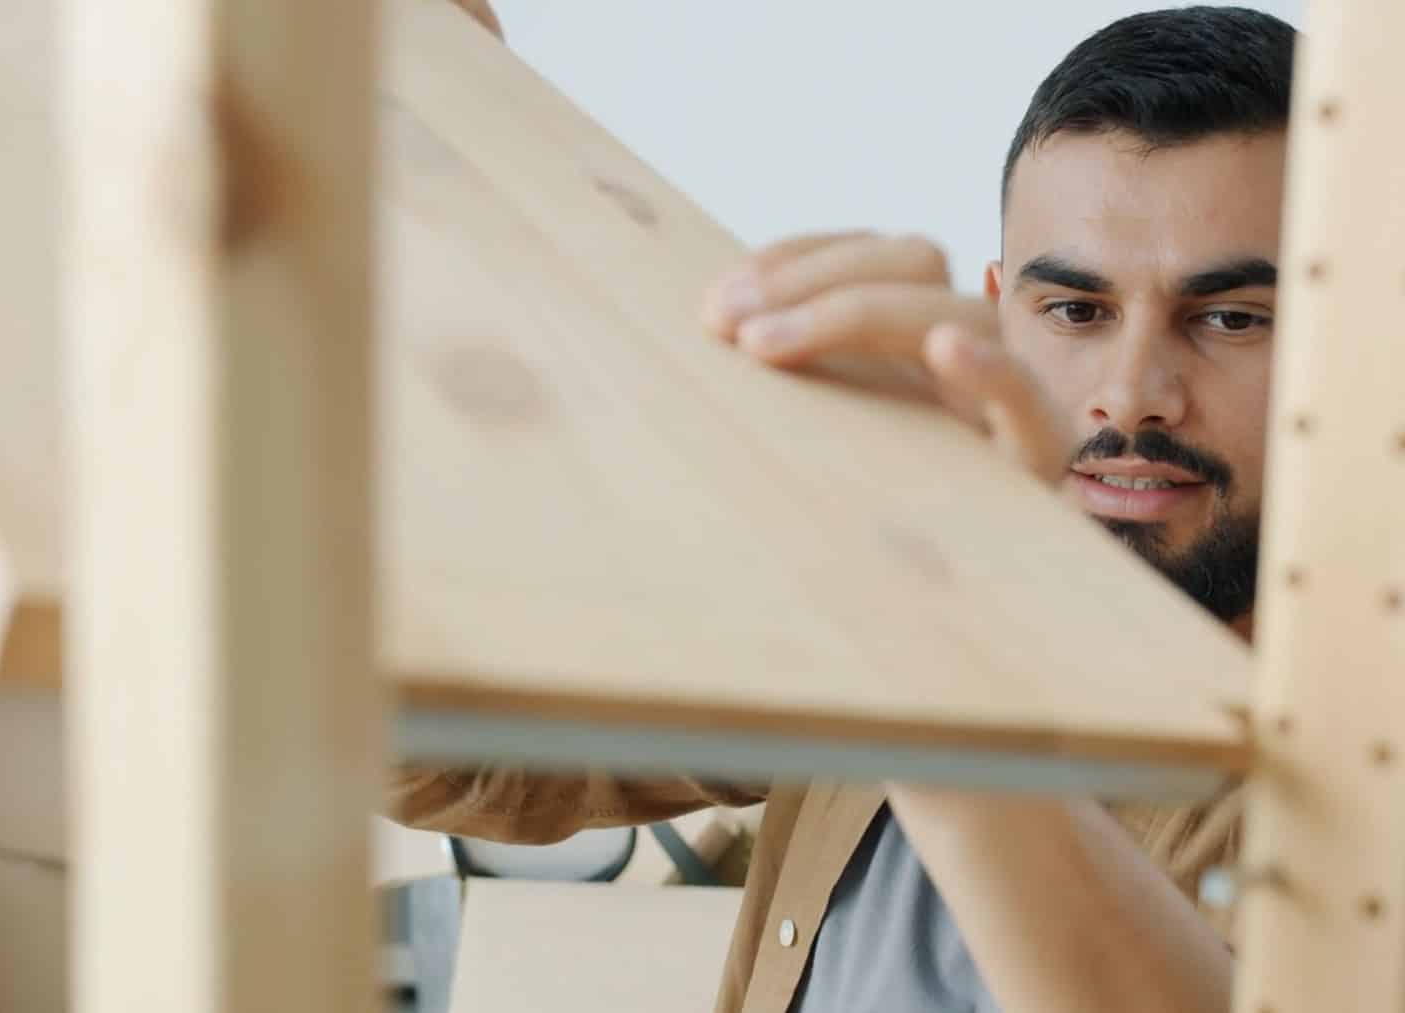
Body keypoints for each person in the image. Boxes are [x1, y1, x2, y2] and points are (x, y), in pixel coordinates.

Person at [403, 4, 1291, 1010]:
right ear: (1000, 309)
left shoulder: (1356, 764)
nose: (1130, 393)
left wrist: (933, 684)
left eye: (1228, 318)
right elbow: (457, 756)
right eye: (1074, 310)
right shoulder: (880, 584)